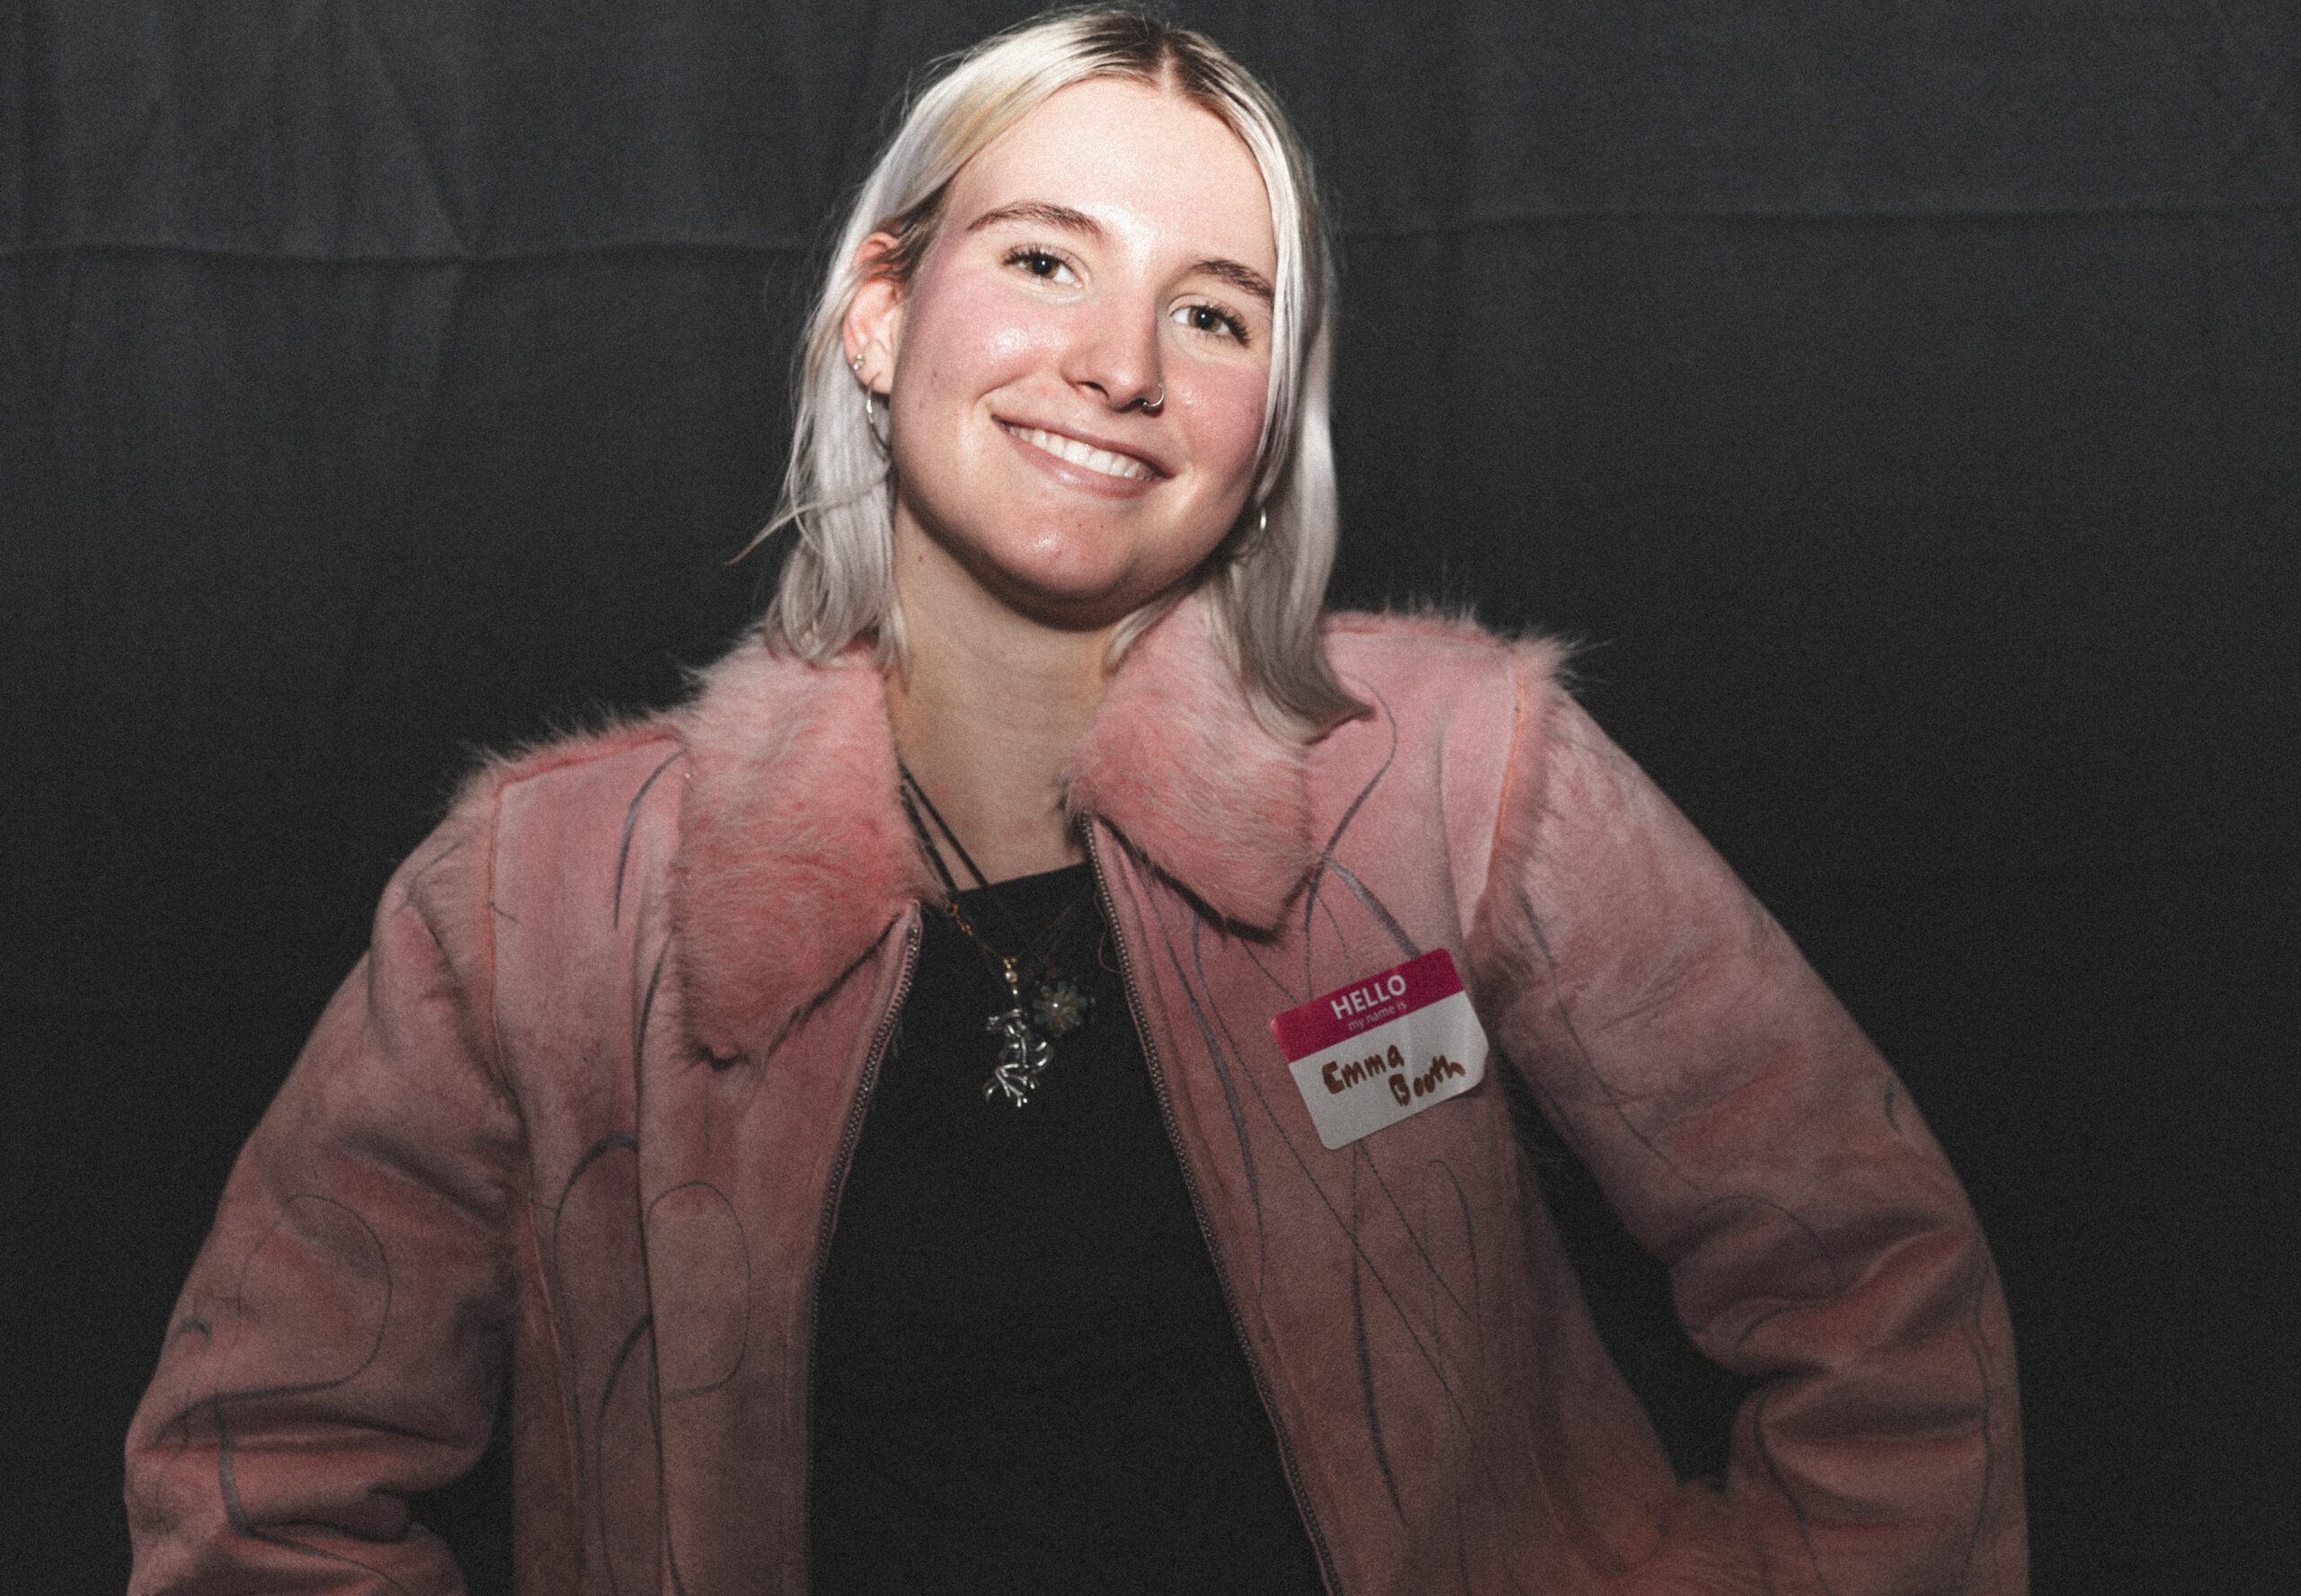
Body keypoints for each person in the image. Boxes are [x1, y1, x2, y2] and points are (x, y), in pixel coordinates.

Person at [124, 11, 2025, 1594]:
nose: (1119, 366)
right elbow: (261, 1473)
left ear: (1269, 417)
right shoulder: (542, 898)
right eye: (1044, 260)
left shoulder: (1459, 779)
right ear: (882, 313)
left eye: (1216, 314)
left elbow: (1868, 1286)